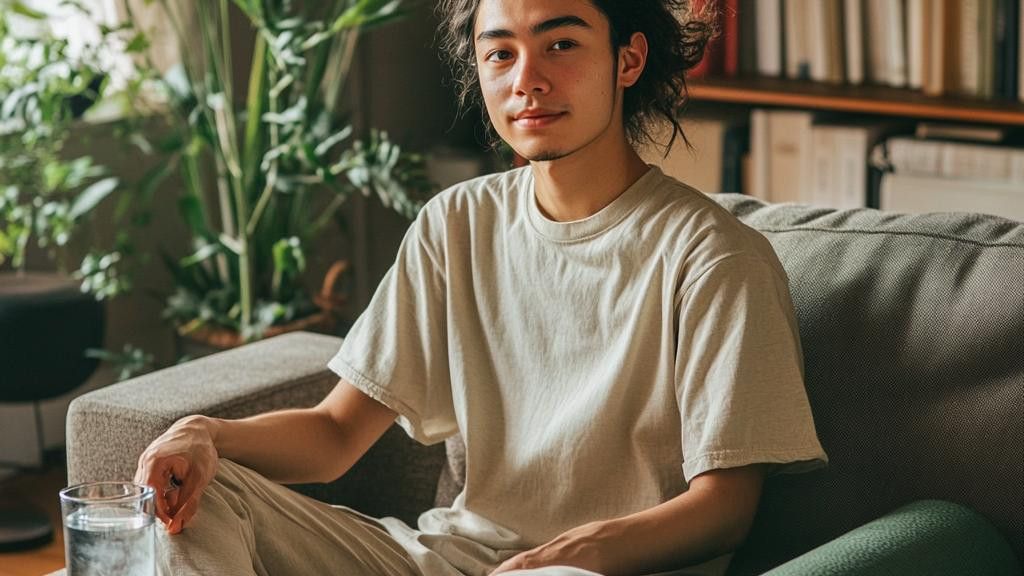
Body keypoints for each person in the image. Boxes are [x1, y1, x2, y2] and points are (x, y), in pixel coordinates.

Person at [135, 1, 829, 575]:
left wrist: (575, 553)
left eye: (561, 44)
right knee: (200, 496)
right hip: (443, 559)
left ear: (629, 59)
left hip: (593, 572)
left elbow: (725, 508)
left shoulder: (715, 258)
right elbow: (335, 433)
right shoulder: (455, 223)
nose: (527, 80)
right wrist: (205, 435)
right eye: (500, 53)